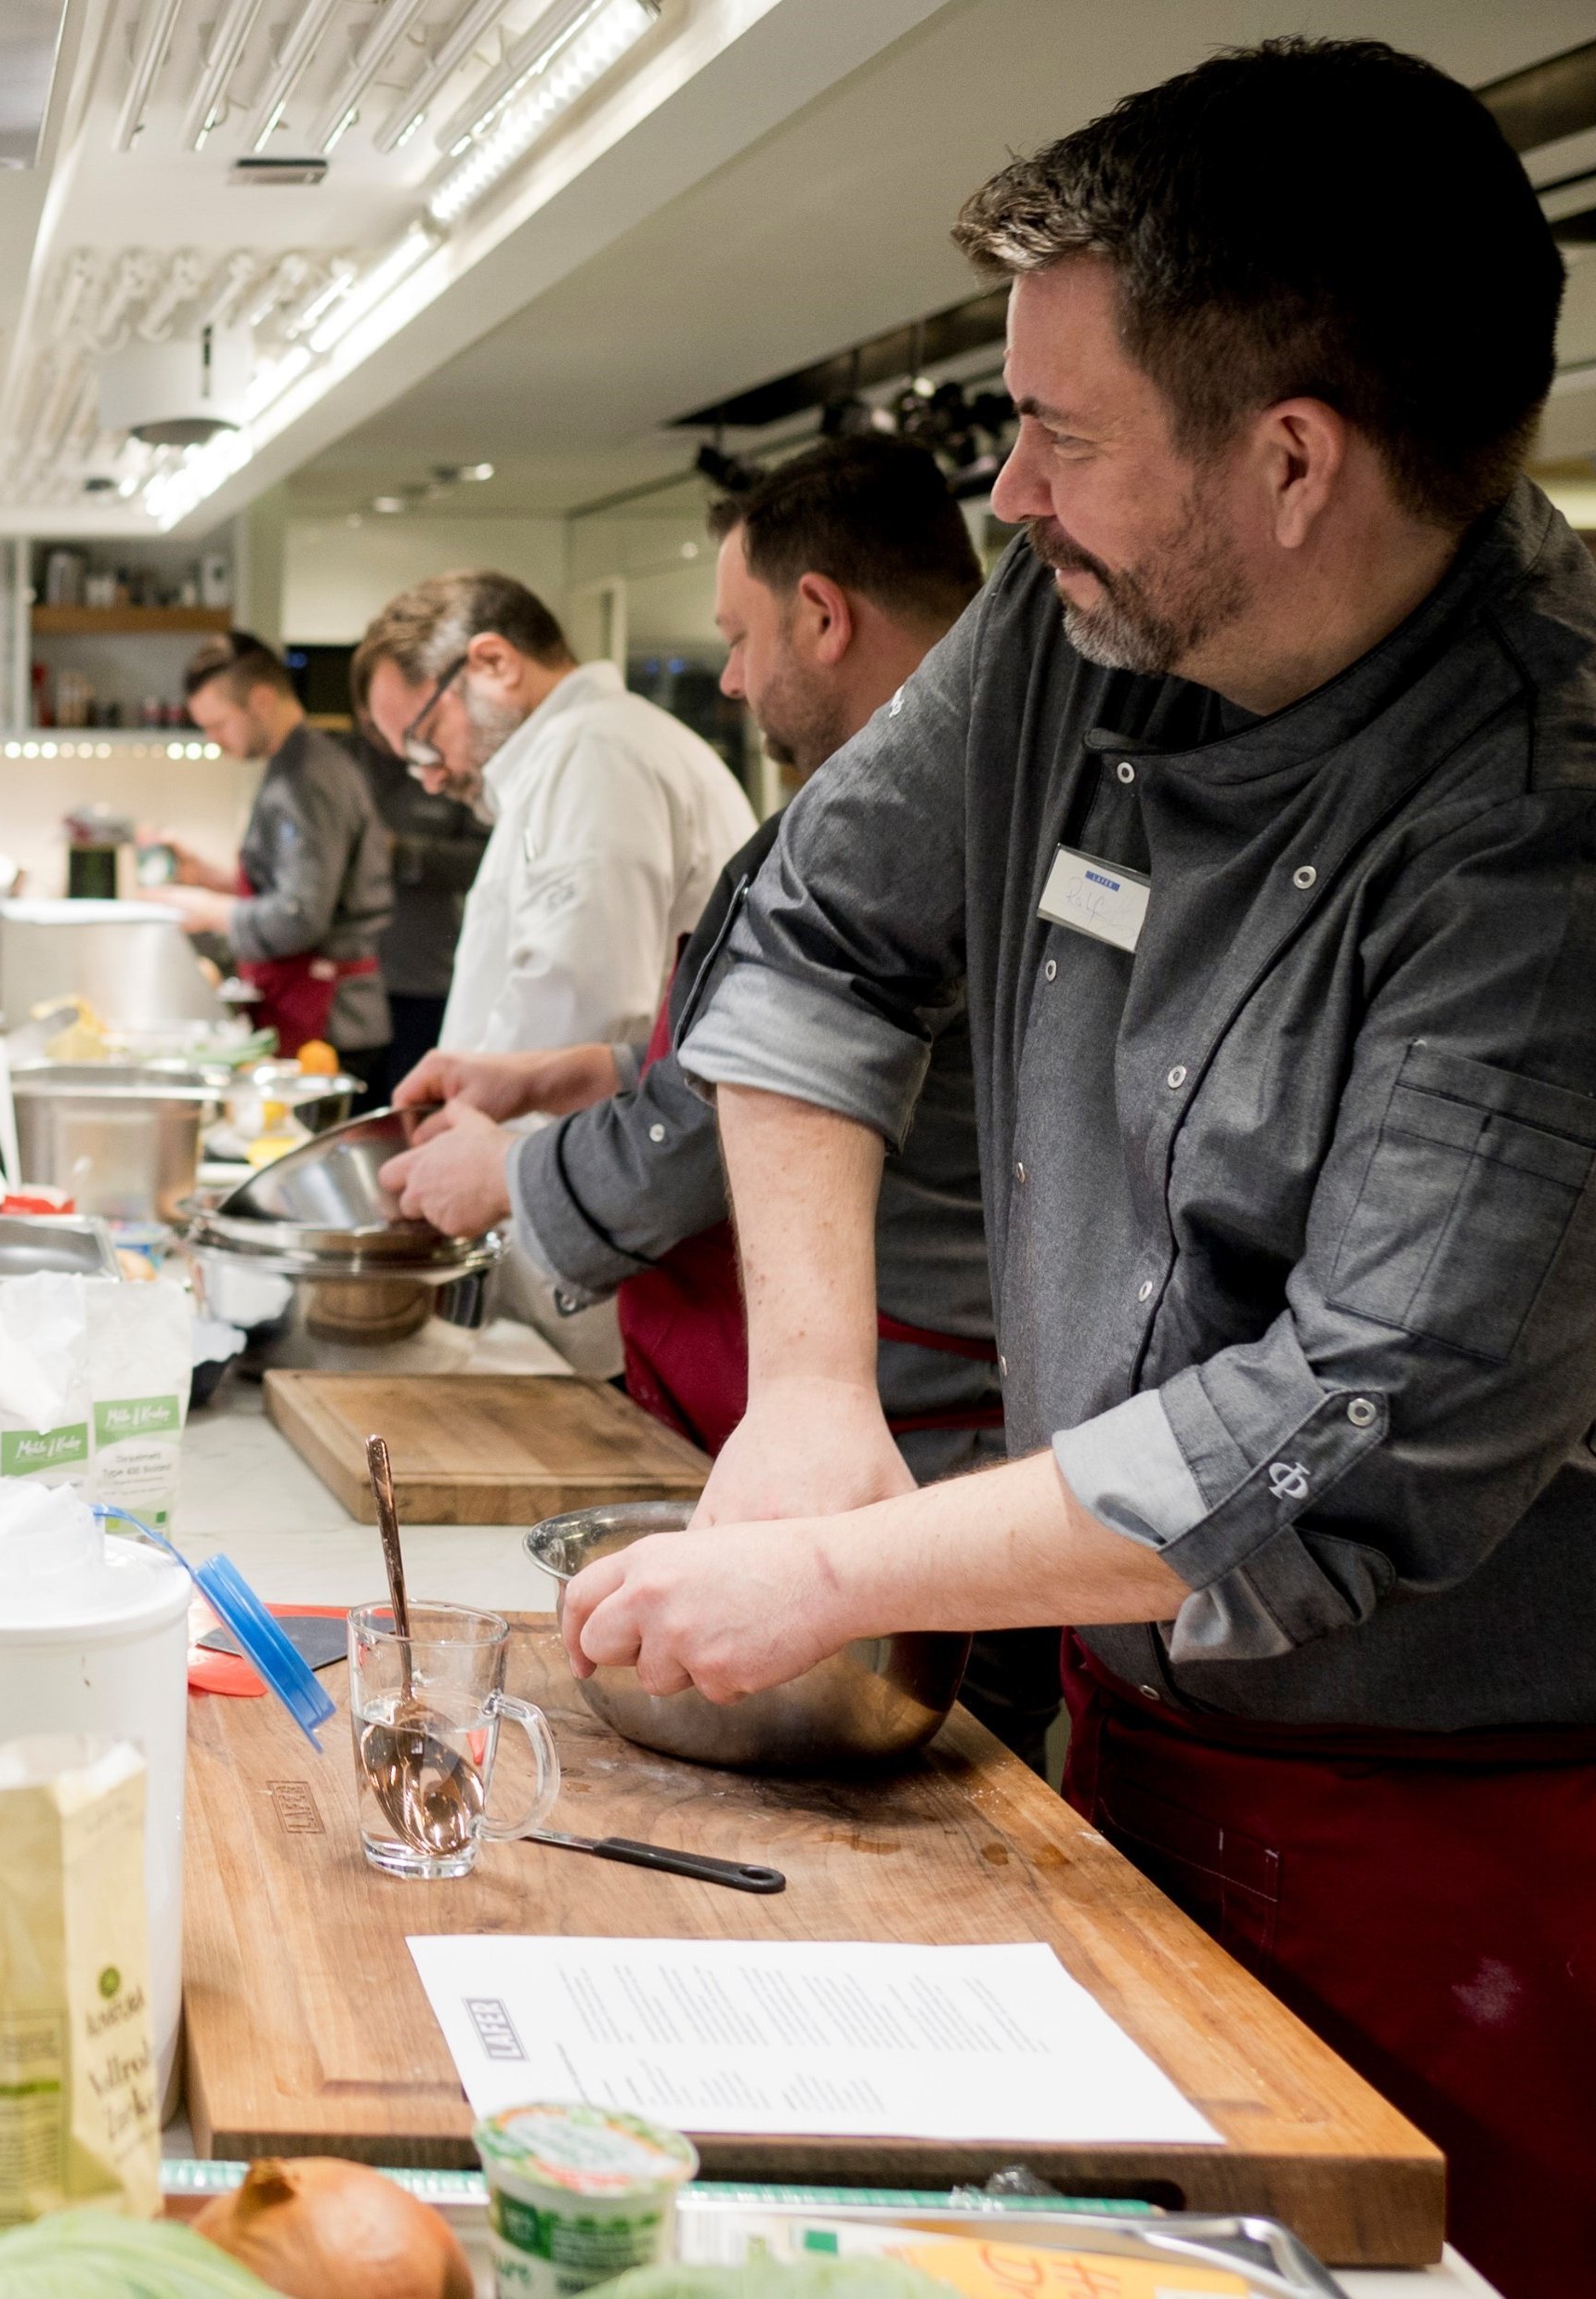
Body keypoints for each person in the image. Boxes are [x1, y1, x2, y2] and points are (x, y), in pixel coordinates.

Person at [568, 45, 1592, 2287]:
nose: (1006, 496)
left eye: (1058, 432)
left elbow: (1357, 1418)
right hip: (1120, 1736)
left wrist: (845, 1582)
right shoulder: (1085, 617)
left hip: (1474, 1836)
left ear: (1292, 459)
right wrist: (814, 1395)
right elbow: (825, 932)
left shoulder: (1539, 808)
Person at [375, 438, 1040, 1747]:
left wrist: (511, 1170)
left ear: (824, 613)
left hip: (905, 1435)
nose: (729, 675)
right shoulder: (862, 796)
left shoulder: (959, 799)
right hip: (820, 1406)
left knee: (926, 1805)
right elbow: (755, 1058)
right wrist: (589, 1071)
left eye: (740, 635)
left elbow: (728, 1120)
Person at [354, 573, 755, 1367]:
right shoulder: (573, 759)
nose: (430, 776)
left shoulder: (593, 753)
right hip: (577, 1210)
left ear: (494, 662)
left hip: (600, 1237)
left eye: (427, 742)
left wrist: (479, 1165)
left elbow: (589, 1003)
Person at [150, 633, 392, 1073]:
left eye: (219, 724)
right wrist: (209, 877)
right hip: (317, 1013)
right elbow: (303, 884)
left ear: (261, 700)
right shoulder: (296, 764)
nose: (214, 740)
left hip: (332, 1023)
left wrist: (211, 910)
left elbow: (301, 914)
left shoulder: (306, 780)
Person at [356, 725, 489, 1099]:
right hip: (354, 979)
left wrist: (401, 852)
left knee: (412, 1106)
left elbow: (485, 861)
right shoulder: (350, 761)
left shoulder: (451, 766)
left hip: (424, 975)